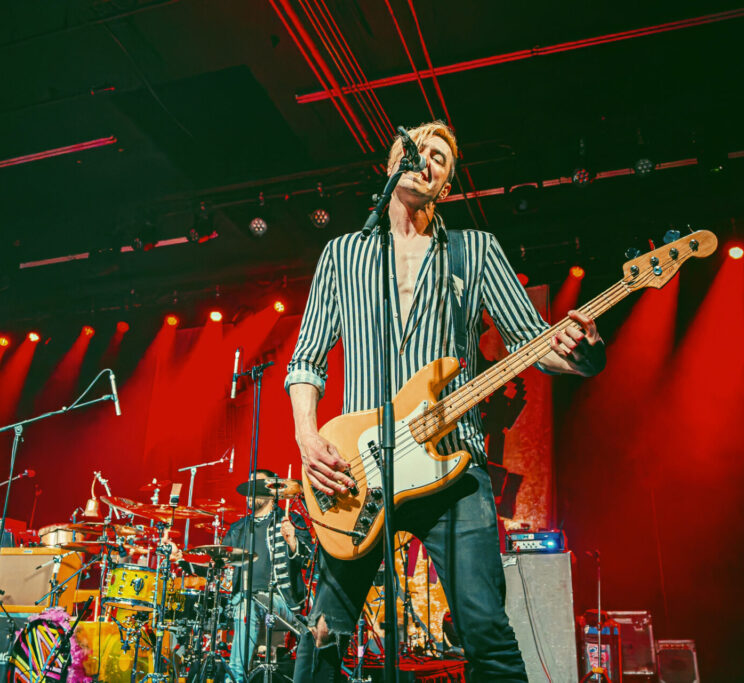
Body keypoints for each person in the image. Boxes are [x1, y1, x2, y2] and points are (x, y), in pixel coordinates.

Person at [285, 121, 606, 682]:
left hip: (452, 465)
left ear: (446, 187)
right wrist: (307, 437)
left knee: (487, 633)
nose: (425, 160)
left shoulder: (474, 250)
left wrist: (585, 356)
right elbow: (307, 358)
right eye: (415, 151)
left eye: (439, 157)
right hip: (363, 471)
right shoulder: (342, 255)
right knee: (323, 636)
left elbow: (533, 343)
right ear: (391, 167)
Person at [223, 469, 313, 682]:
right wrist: (181, 558)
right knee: (244, 603)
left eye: (257, 487)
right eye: (249, 488)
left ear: (272, 492)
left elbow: (309, 561)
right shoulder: (238, 529)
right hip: (244, 600)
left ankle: (234, 677)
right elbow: (217, 563)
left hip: (282, 603)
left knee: (248, 604)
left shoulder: (290, 520)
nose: (251, 492)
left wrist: (292, 542)